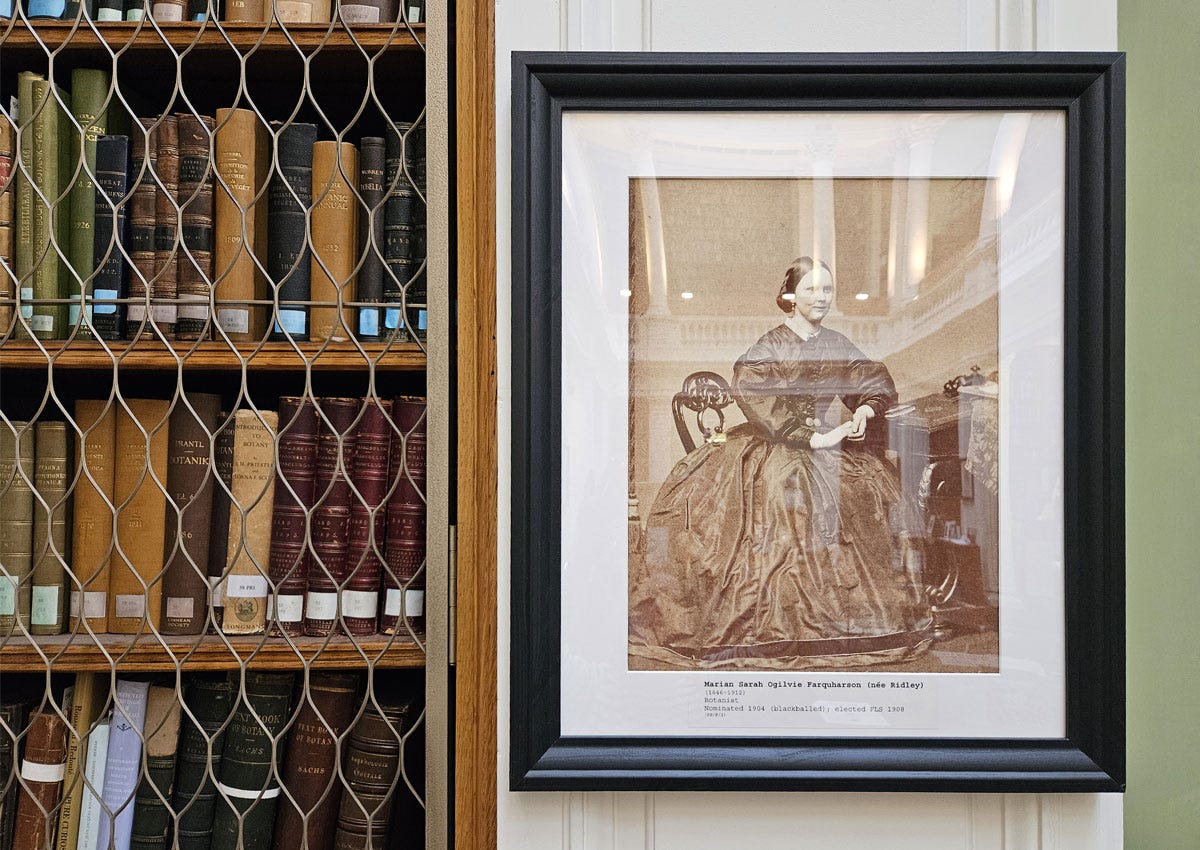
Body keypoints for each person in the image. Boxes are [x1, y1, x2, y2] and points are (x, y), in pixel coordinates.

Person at [629, 257, 933, 670]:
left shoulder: (836, 343)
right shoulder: (771, 344)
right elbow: (749, 387)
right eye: (811, 289)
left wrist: (864, 411)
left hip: (829, 447)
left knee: (865, 491)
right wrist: (810, 435)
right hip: (775, 443)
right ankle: (778, 624)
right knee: (784, 496)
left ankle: (843, 617)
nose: (821, 297)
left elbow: (871, 379)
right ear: (791, 296)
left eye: (827, 290)